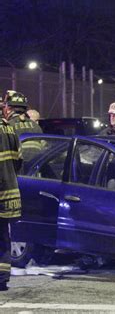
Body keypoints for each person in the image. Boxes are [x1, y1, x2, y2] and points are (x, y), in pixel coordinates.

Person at [0, 96, 23, 292]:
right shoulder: (9, 128)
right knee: (3, 235)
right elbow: (18, 161)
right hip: (8, 191)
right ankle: (2, 278)